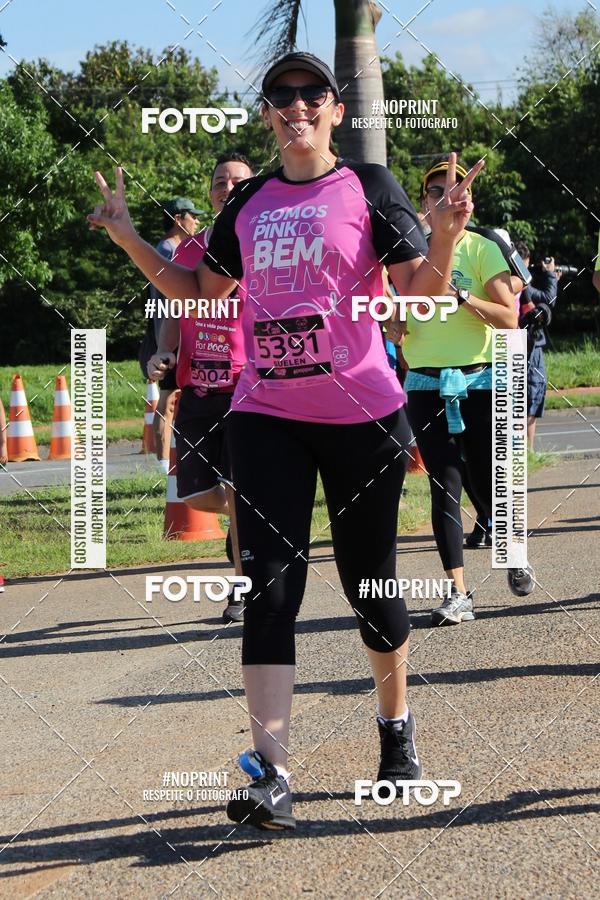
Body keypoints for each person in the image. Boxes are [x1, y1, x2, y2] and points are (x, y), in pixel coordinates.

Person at [88, 51, 482, 832]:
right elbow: (202, 294)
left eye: (312, 95)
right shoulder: (250, 203)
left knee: (370, 587)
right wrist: (131, 238)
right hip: (265, 412)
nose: (297, 106)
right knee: (267, 585)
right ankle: (272, 773)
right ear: (267, 114)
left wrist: (444, 237)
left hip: (362, 416)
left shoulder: (369, 187)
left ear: (334, 109)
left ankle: (395, 732)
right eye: (281, 97)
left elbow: (421, 297)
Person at [393, 157, 534, 628]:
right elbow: (395, 314)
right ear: (423, 204)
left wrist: (463, 298)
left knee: (485, 477)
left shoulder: (481, 248)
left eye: (454, 189)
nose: (445, 196)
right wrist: (390, 321)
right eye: (435, 191)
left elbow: (509, 317)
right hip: (426, 383)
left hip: (480, 378)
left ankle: (512, 550)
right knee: (444, 482)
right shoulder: (406, 254)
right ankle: (458, 593)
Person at [148, 153, 254, 622]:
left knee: (235, 486)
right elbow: (173, 313)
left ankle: (241, 588)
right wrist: (164, 357)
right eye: (218, 181)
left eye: (236, 181)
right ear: (210, 192)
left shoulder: (265, 249)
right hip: (196, 392)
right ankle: (249, 528)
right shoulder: (187, 251)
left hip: (247, 390)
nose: (226, 188)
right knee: (194, 493)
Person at [147, 197, 202, 471]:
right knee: (168, 399)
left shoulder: (171, 247)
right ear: (178, 219)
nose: (197, 221)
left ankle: (170, 456)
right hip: (170, 334)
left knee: (173, 396)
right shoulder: (169, 249)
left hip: (176, 332)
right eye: (193, 216)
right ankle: (162, 461)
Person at [514, 241, 559, 449]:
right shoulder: (519, 281)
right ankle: (526, 449)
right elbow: (548, 299)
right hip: (527, 346)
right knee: (530, 394)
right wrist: (551, 276)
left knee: (525, 396)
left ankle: (525, 450)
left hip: (517, 344)